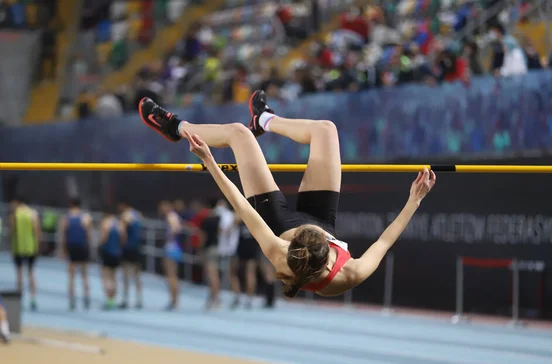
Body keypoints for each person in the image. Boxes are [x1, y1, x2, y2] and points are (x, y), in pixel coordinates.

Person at [138, 91, 436, 298]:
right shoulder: (351, 272)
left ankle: (174, 126)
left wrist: (209, 161)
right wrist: (415, 200)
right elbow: (384, 242)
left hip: (275, 219)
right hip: (322, 216)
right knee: (325, 130)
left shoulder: (281, 254)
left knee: (238, 134)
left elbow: (241, 207)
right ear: (329, 249)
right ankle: (265, 120)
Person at [231, 215, 276, 309]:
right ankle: (249, 299)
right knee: (250, 273)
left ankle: (238, 296)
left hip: (242, 245)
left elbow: (232, 226)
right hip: (252, 246)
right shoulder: (257, 217)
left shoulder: (240, 215)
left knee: (235, 272)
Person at [60, 198, 92, 310]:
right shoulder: (85, 217)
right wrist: (89, 248)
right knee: (84, 275)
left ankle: (72, 299)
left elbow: (63, 235)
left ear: (70, 204)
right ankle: (86, 297)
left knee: (71, 276)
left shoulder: (66, 218)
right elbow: (88, 235)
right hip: (82, 247)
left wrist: (63, 250)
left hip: (72, 247)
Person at [10, 196, 40, 311]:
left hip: (18, 248)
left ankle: (19, 299)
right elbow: (37, 231)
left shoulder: (15, 214)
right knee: (31, 273)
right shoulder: (33, 213)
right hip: (31, 248)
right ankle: (33, 299)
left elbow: (12, 230)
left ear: (17, 202)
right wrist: (37, 246)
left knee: (19, 274)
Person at [118, 201, 143, 309]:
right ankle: (139, 299)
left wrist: (121, 244)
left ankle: (125, 299)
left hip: (128, 247)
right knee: (137, 274)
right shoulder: (138, 215)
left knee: (126, 274)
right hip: (137, 247)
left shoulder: (125, 215)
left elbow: (122, 232)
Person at [99, 210, 126, 310]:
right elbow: (123, 239)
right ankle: (113, 300)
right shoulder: (120, 224)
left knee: (106, 277)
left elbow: (103, 239)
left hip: (107, 252)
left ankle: (109, 300)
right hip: (117, 253)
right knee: (114, 277)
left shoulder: (105, 223)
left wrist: (101, 246)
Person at [159, 201, 183, 310]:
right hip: (174, 248)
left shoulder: (171, 216)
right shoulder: (174, 216)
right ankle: (174, 300)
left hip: (171, 248)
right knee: (173, 276)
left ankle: (174, 300)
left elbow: (176, 229)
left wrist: (170, 237)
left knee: (171, 276)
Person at [199, 199, 222, 309]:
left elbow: (203, 237)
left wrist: (200, 249)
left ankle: (215, 299)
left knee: (211, 275)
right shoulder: (218, 219)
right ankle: (214, 298)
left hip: (208, 248)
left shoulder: (206, 221)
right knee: (215, 274)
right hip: (216, 247)